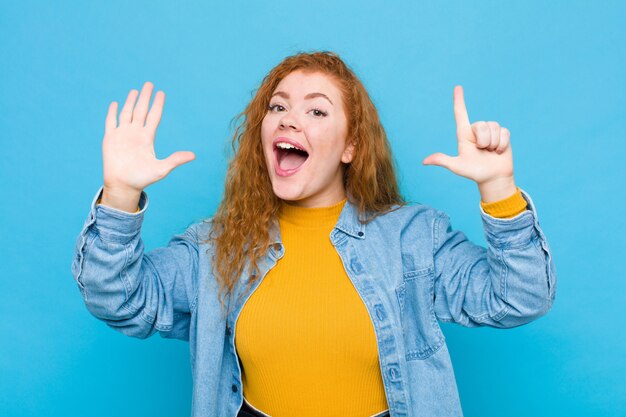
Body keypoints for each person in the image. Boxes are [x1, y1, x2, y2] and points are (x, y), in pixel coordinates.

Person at [71, 51, 557, 417]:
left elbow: (520, 297)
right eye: (277, 107)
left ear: (350, 146)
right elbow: (119, 299)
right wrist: (119, 195)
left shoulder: (414, 239)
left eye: (317, 111)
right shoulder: (215, 247)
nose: (288, 118)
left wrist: (498, 187)